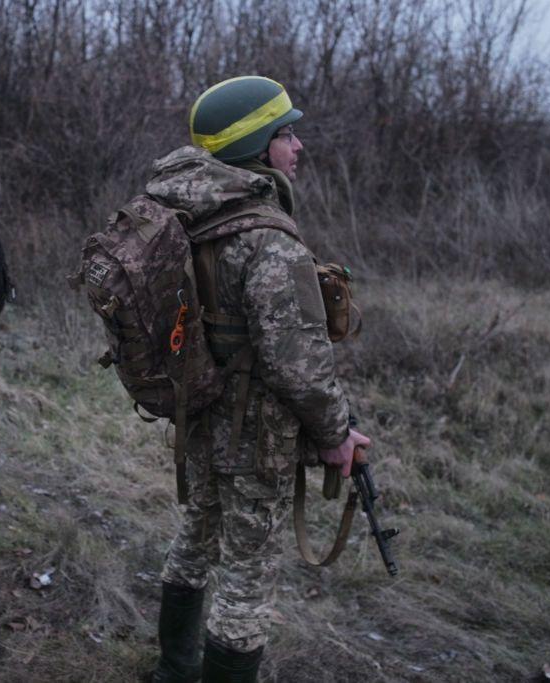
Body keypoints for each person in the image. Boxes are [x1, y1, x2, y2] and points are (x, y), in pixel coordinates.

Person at [148, 76, 372, 682]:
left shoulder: (182, 211)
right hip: (254, 434)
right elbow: (295, 363)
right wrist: (335, 432)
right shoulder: (268, 238)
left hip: (195, 412)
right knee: (246, 576)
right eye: (285, 133)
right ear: (255, 145)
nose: (297, 146)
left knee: (194, 538)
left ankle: (174, 671)